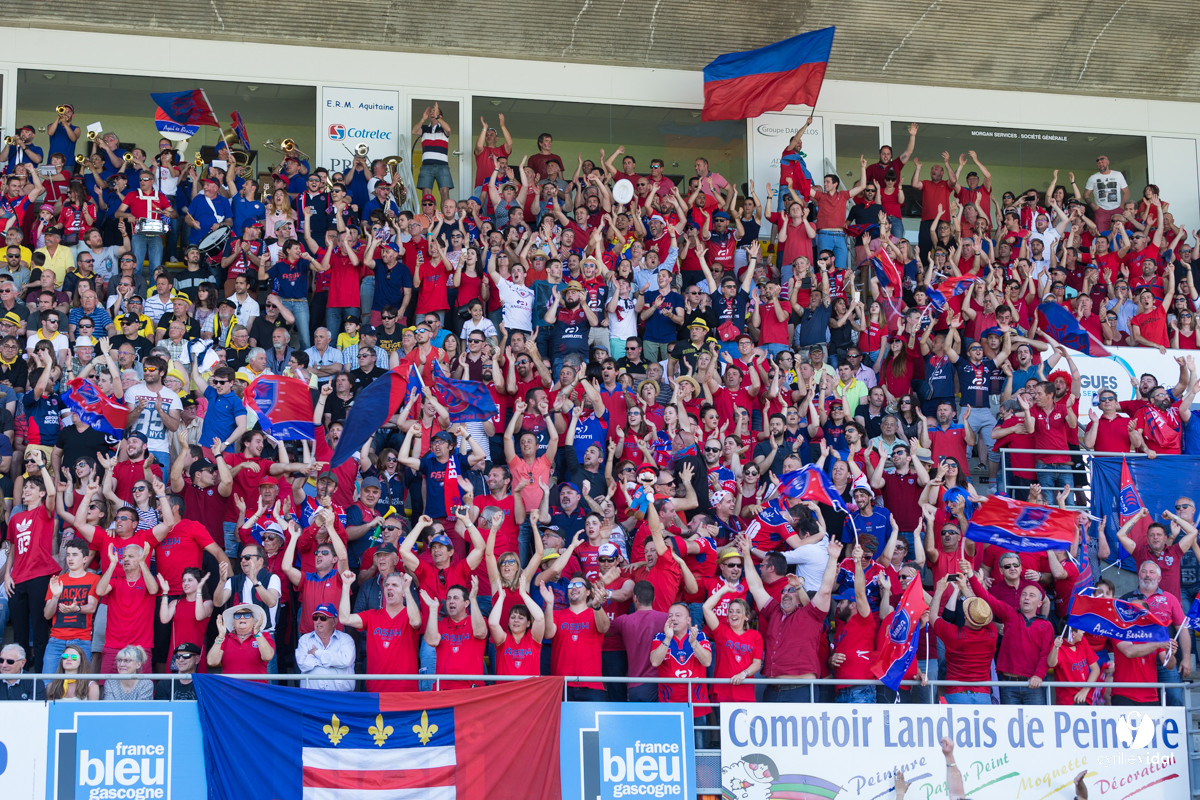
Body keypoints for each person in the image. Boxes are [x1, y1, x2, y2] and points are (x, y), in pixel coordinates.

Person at [339, 569, 422, 692]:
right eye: (387, 585)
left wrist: (407, 590)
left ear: (403, 591)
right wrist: (346, 586)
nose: (389, 588)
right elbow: (344, 618)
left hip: (405, 692)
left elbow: (416, 622)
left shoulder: (410, 615)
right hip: (376, 693)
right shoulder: (372, 615)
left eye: (394, 585)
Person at [421, 577, 487, 690]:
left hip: (471, 689)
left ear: (466, 603)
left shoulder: (476, 621)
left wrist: (473, 599)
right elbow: (432, 641)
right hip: (444, 690)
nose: (451, 601)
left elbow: (480, 633)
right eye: (449, 598)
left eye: (456, 598)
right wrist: (432, 609)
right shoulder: (441, 624)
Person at [295, 602, 356, 691]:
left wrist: (317, 653)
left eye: (323, 618)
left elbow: (346, 661)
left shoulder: (346, 639)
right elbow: (303, 664)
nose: (318, 621)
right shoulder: (304, 639)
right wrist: (333, 662)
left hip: (341, 697)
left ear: (334, 621)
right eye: (315, 618)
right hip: (311, 697)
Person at [208, 602, 274, 682]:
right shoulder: (225, 639)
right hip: (230, 690)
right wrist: (221, 635)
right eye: (237, 615)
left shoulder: (264, 636)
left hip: (256, 690)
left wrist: (257, 632)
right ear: (233, 622)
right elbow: (212, 662)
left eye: (247, 615)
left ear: (254, 620)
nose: (242, 617)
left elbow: (267, 657)